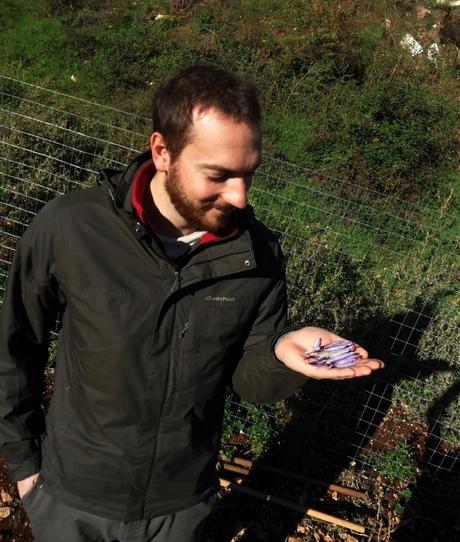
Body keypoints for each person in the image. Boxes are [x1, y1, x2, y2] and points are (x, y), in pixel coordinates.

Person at [0, 64, 383, 542]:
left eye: (248, 174)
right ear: (163, 152)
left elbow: (250, 382)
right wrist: (26, 468)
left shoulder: (257, 256)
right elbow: (16, 350)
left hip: (180, 509)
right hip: (70, 499)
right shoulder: (71, 229)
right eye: (219, 175)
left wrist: (282, 353)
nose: (241, 197)